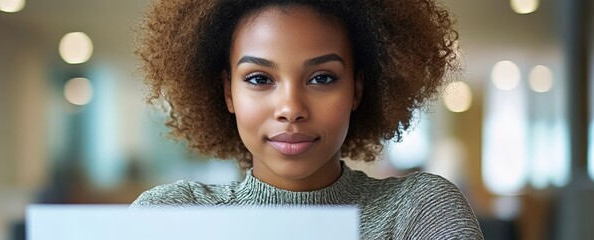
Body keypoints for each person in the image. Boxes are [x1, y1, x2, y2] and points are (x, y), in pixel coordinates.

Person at [131, 0, 483, 238]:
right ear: (228, 93)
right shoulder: (172, 216)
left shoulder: (418, 212)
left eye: (322, 78)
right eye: (259, 79)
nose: (291, 107)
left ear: (357, 89)